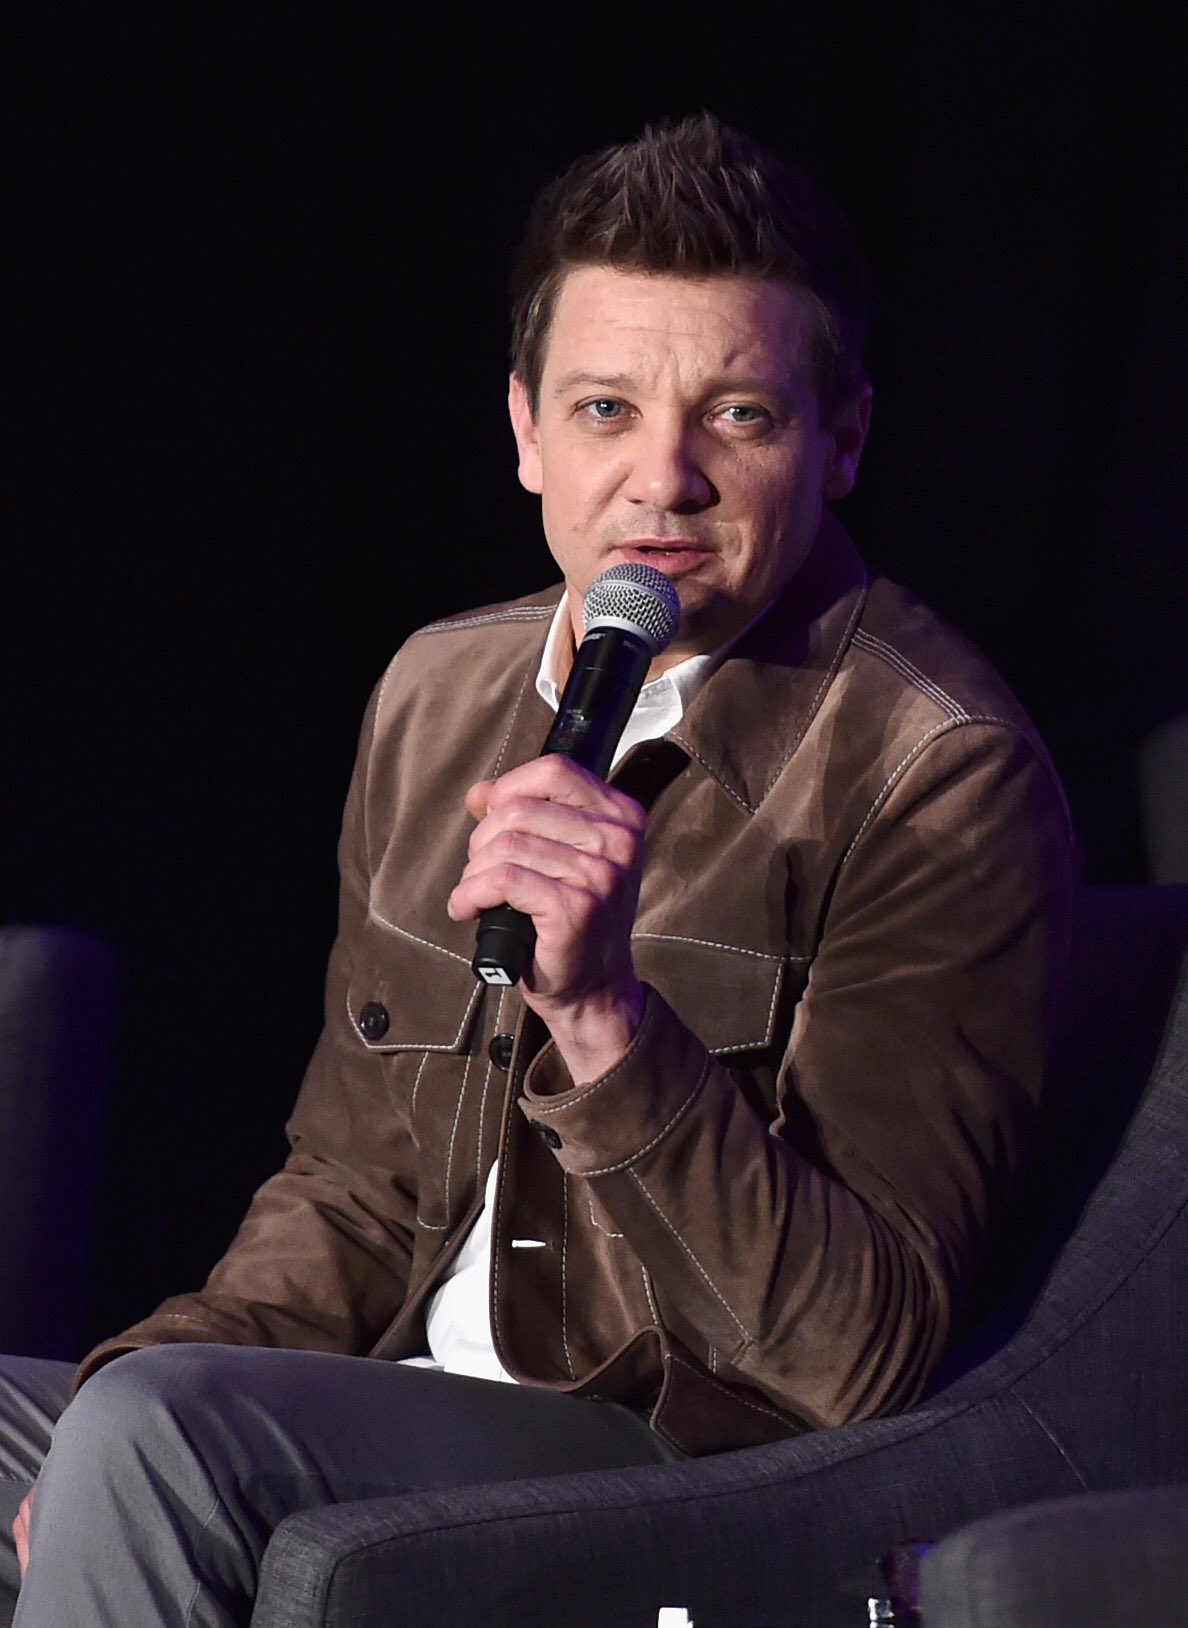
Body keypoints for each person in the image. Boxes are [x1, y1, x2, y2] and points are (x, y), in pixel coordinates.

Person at [1, 113, 1076, 1625]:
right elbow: (356, 1183)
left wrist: (607, 1022)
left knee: (157, 1447)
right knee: (103, 1426)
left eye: (741, 415)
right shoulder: (440, 689)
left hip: (669, 1446)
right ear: (524, 431)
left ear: (842, 439)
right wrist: (150, 1376)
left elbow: (858, 1356)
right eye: (604, 409)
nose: (663, 480)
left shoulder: (939, 771)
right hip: (387, 1392)